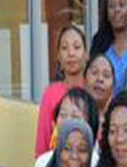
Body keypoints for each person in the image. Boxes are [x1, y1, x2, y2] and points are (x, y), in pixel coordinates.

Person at [27, 87, 100, 167]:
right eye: (63, 115)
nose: (67, 121)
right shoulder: (43, 163)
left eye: (75, 116)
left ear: (90, 124)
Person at [36, 25, 88, 157]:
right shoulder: (50, 94)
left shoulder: (94, 90)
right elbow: (42, 145)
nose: (71, 53)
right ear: (58, 56)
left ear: (86, 54)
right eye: (65, 48)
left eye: (77, 47)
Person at [84, 53, 116, 119]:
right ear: (84, 80)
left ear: (113, 86)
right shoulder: (73, 114)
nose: (100, 79)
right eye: (94, 72)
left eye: (106, 75)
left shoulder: (118, 118)